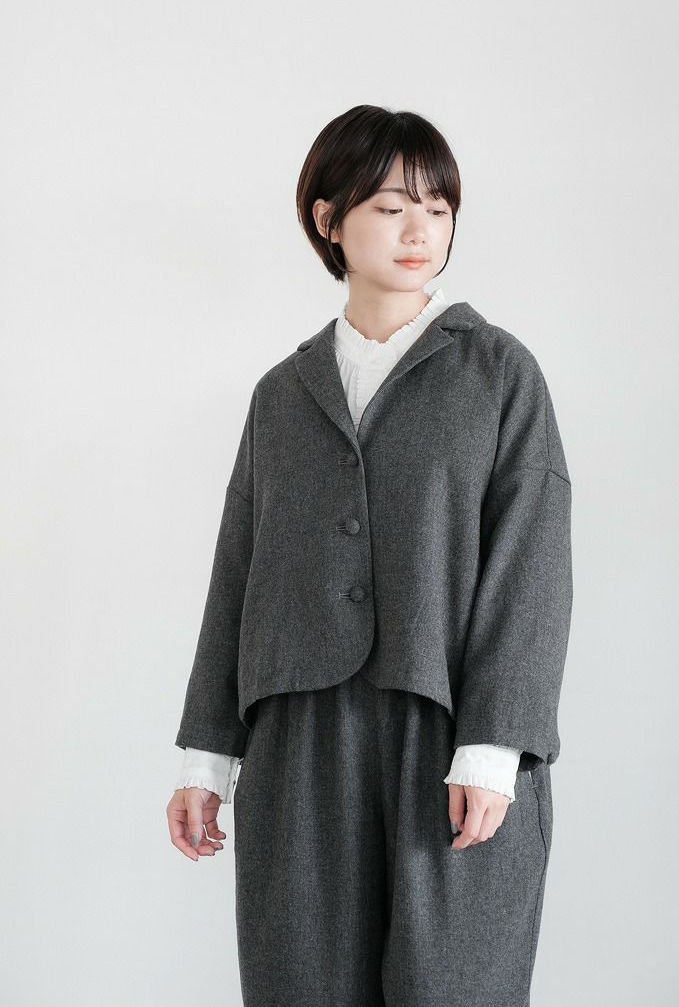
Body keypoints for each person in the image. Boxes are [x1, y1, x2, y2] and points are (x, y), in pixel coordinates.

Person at [166, 104, 573, 1007]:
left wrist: (494, 746)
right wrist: (205, 757)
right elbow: (238, 571)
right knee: (302, 984)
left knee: (451, 985)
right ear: (329, 219)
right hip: (299, 740)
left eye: (438, 207)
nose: (420, 230)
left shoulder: (498, 374)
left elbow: (532, 565)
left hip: (448, 732)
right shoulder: (283, 393)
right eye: (391, 207)